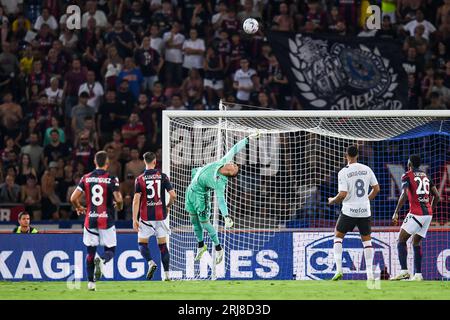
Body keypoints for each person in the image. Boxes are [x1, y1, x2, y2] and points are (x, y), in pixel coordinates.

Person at [185, 132, 259, 264]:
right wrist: (248, 139)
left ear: (231, 172)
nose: (233, 163)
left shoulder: (220, 183)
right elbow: (235, 148)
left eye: (234, 166)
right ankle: (201, 246)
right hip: (190, 191)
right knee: (193, 221)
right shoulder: (224, 161)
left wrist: (226, 216)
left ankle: (218, 248)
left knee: (204, 223)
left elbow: (221, 200)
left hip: (201, 197)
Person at [70, 151, 123, 291]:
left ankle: (90, 283)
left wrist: (79, 208)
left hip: (90, 219)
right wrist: (120, 206)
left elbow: (73, 198)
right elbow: (119, 199)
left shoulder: (86, 178)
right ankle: (103, 260)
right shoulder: (112, 179)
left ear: (95, 162)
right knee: (110, 250)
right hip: (107, 220)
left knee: (90, 252)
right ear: (107, 163)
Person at [328, 145, 380, 281]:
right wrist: (365, 199)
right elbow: (376, 189)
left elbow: (343, 194)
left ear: (346, 156)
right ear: (358, 155)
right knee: (367, 241)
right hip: (364, 211)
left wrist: (333, 200)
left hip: (349, 211)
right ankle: (369, 274)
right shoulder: (367, 169)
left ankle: (339, 270)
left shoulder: (343, 172)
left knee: (338, 237)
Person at [391, 155, 440, 281]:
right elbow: (437, 196)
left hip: (416, 213)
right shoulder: (426, 176)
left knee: (401, 240)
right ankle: (418, 274)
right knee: (416, 242)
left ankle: (404, 271)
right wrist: (430, 210)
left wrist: (396, 212)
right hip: (427, 215)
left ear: (410, 164)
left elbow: (404, 194)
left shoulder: (407, 175)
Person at [132, 152, 176, 280]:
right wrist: (168, 206)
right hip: (160, 216)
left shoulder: (139, 179)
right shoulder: (162, 176)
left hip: (146, 217)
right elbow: (173, 195)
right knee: (163, 246)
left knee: (142, 243)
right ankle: (167, 275)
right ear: (155, 161)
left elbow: (136, 200)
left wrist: (134, 219)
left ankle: (150, 262)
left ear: (144, 162)